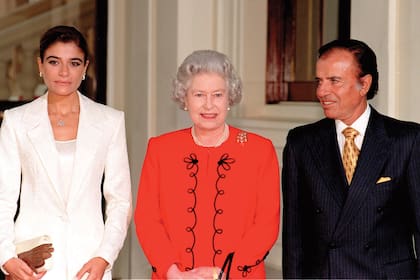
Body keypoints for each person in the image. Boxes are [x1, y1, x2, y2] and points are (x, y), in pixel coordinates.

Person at [0, 25, 132, 280]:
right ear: (40, 65)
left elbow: (120, 201)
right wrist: (6, 257)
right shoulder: (16, 122)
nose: (63, 72)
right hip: (31, 264)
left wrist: (104, 256)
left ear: (85, 67)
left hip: (89, 262)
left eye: (73, 62)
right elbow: (3, 197)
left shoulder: (110, 121)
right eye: (53, 61)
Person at [135, 50, 280, 279]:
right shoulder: (160, 149)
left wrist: (223, 273)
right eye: (199, 95)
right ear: (185, 98)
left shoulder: (259, 150)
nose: (209, 105)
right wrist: (174, 274)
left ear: (230, 98)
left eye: (218, 95)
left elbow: (266, 225)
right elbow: (147, 220)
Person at [282, 39, 420, 279]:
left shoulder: (407, 140)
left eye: (334, 81)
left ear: (364, 84)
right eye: (319, 81)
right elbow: (294, 235)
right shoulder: (301, 143)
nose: (321, 92)